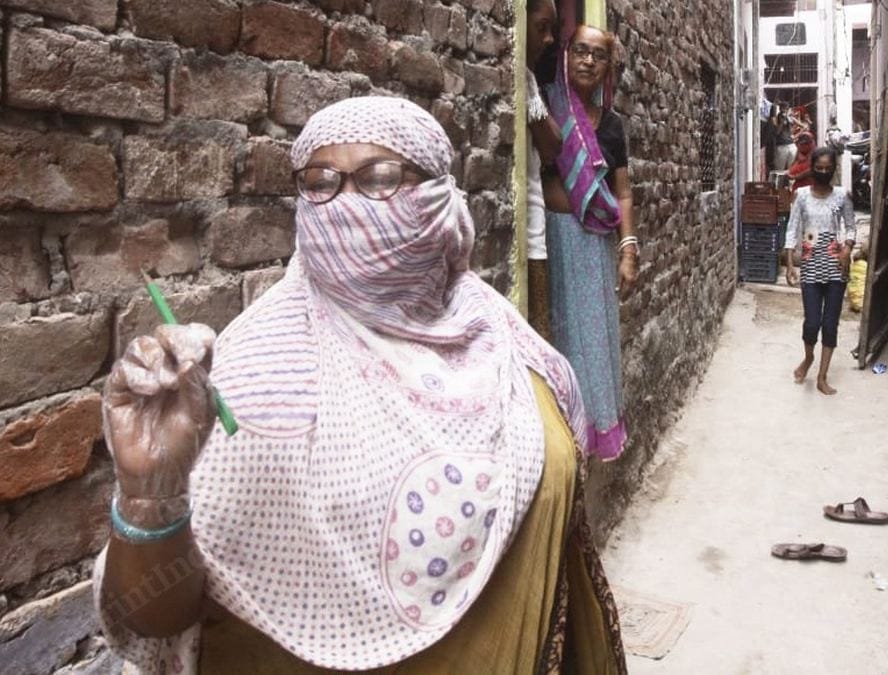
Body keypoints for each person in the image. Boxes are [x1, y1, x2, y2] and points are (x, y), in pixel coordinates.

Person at [93, 96, 626, 674]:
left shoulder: (507, 343)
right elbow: (155, 618)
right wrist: (149, 498)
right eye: (320, 183)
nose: (346, 205)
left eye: (379, 178)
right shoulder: (253, 383)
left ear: (440, 196)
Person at [543, 24, 636, 461]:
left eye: (599, 55)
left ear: (607, 67)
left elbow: (623, 193)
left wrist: (628, 249)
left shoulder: (612, 125)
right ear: (566, 56)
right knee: (558, 330)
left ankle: (593, 429)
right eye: (580, 51)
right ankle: (561, 428)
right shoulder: (547, 107)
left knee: (594, 338)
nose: (588, 61)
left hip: (596, 244)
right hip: (552, 240)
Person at [784, 147, 856, 396]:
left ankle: (822, 377)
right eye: (819, 168)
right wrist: (790, 263)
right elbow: (792, 228)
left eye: (828, 168)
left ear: (833, 169)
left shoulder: (842, 196)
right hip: (811, 264)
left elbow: (851, 227)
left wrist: (847, 248)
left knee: (830, 323)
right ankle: (808, 358)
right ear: (812, 169)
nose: (823, 172)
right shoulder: (802, 196)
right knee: (812, 321)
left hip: (837, 266)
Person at [526, 0, 562, 340]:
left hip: (536, 236)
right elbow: (553, 143)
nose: (549, 39)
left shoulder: (529, 82)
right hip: (529, 241)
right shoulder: (524, 82)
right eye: (542, 28)